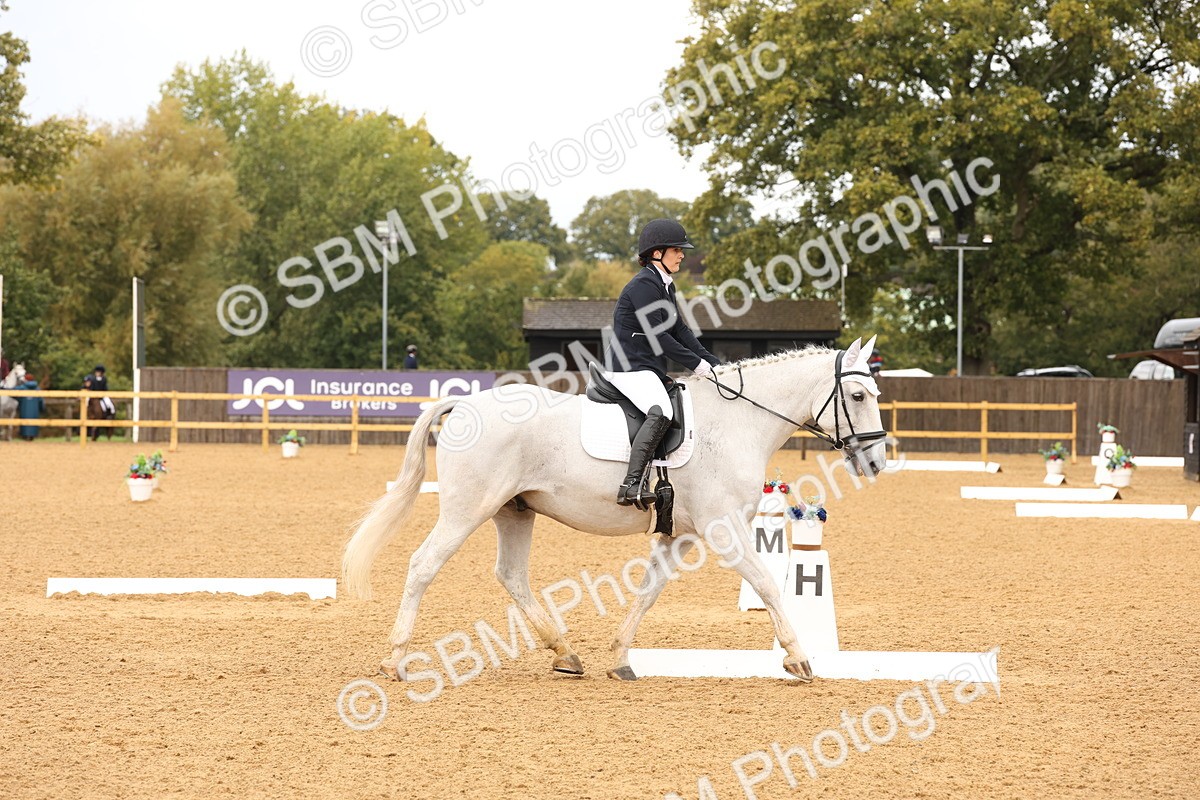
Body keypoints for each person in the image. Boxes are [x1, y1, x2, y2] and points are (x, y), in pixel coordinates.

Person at [603, 218, 720, 508]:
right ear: (657, 253)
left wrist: (713, 362)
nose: (682, 255)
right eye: (676, 250)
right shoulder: (644, 285)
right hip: (628, 367)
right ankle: (631, 484)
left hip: (646, 367)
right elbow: (659, 337)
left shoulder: (665, 285)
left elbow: (680, 330)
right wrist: (698, 366)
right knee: (662, 411)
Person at [16, 373, 44, 441]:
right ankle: (32, 436)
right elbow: (41, 401)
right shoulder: (37, 389)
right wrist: (42, 409)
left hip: (24, 411)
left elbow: (11, 392)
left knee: (24, 425)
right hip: (35, 412)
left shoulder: (22, 388)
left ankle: (25, 436)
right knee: (34, 424)